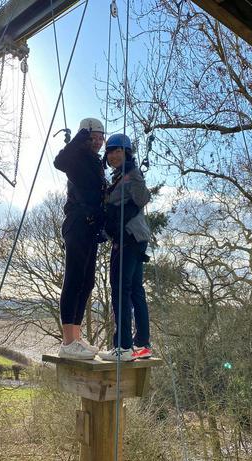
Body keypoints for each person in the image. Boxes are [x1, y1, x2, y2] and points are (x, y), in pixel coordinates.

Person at [53, 118, 107, 360]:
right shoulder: (77, 158)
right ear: (84, 137)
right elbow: (59, 162)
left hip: (90, 227)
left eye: (100, 138)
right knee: (74, 279)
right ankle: (68, 342)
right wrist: (78, 137)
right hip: (77, 223)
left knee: (87, 282)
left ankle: (75, 336)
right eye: (93, 137)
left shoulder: (95, 162)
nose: (97, 142)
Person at [98, 133, 153, 362]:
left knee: (120, 289)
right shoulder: (119, 176)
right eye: (110, 152)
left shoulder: (130, 174)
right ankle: (142, 344)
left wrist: (134, 172)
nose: (113, 155)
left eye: (118, 151)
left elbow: (141, 198)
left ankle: (123, 346)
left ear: (127, 152)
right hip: (134, 238)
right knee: (136, 290)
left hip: (129, 238)